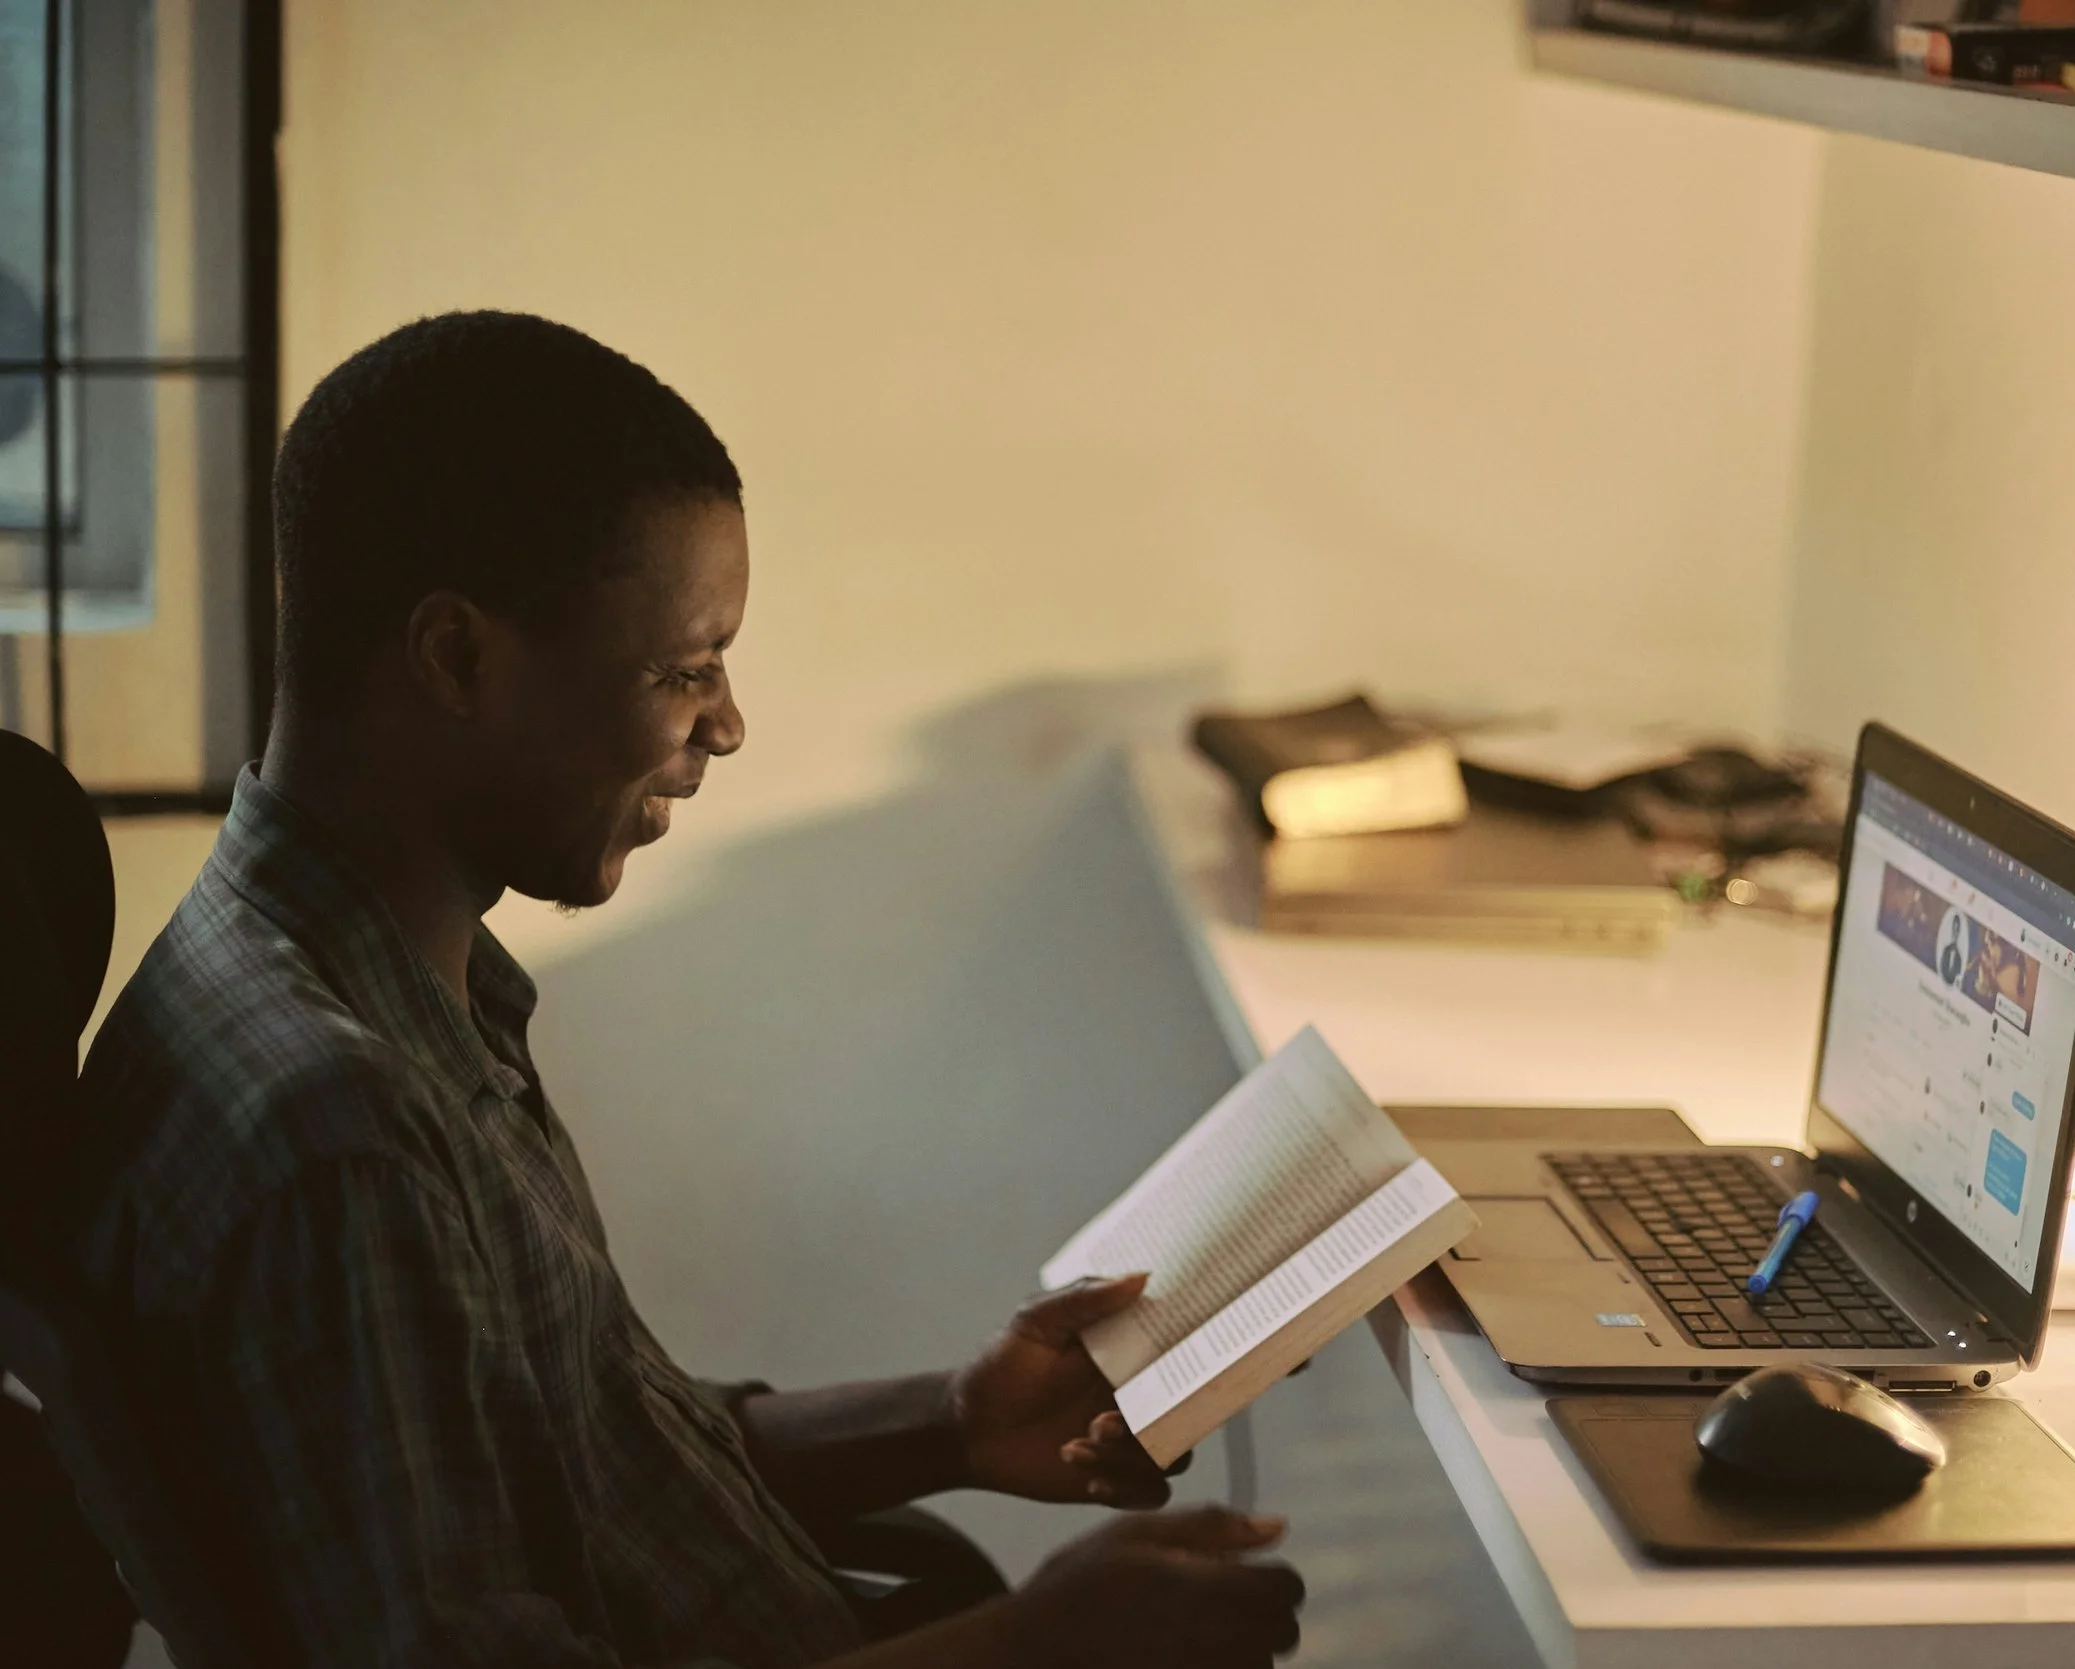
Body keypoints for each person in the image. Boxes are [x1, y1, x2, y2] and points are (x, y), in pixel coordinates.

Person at [69, 311, 1305, 1669]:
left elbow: (597, 1461)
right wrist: (1037, 1649)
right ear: (457, 660)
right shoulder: (339, 1138)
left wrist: (959, 1420)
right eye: (682, 670)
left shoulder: (389, 985)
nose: (724, 725)